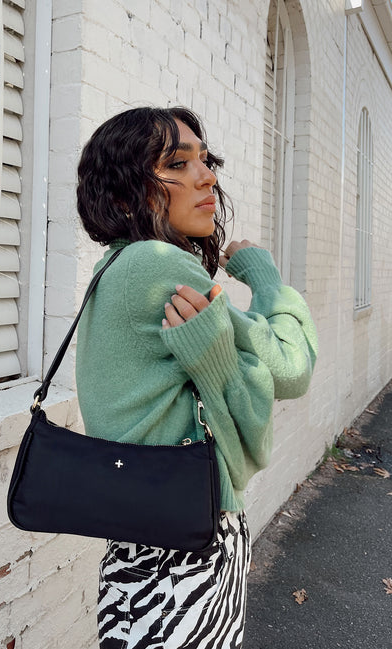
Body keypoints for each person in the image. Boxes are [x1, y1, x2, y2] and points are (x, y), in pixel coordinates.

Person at [75, 106, 318, 649]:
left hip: (142, 545)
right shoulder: (157, 264)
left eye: (205, 161)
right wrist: (264, 277)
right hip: (186, 555)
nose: (207, 177)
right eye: (177, 164)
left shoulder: (115, 266)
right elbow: (291, 367)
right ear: (124, 195)